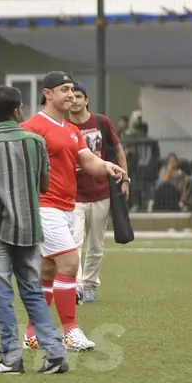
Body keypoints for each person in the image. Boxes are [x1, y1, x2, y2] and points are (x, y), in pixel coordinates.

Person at [0, 86, 68, 374]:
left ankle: (11, 357)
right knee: (32, 291)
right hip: (30, 227)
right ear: (17, 110)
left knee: (2, 296)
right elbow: (43, 186)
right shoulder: (36, 142)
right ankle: (55, 353)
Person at [20, 71, 126, 352]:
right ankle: (70, 331)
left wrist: (109, 167)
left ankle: (32, 333)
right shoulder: (33, 127)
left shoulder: (71, 129)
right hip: (45, 207)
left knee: (47, 270)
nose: (70, 94)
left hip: (67, 206)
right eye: (64, 89)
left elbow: (88, 162)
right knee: (69, 264)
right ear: (48, 93)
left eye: (72, 90)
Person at [68, 83, 128, 303]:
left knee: (96, 245)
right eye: (70, 96)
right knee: (73, 243)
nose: (74, 100)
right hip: (73, 195)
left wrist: (125, 178)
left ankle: (90, 285)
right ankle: (75, 287)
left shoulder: (101, 122)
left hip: (101, 192)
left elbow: (118, 149)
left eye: (78, 96)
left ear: (87, 99)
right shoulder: (63, 126)